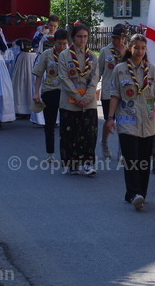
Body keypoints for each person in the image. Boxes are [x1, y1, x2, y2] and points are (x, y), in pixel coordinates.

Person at [106, 34, 155, 210]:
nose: (140, 51)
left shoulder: (152, 70)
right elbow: (115, 95)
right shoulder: (120, 69)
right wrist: (110, 118)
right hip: (127, 120)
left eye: (143, 48)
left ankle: (139, 194)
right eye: (136, 47)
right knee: (131, 159)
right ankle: (135, 193)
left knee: (144, 161)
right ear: (130, 48)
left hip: (148, 122)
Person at [57, 23, 100, 176]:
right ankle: (71, 163)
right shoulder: (64, 55)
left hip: (88, 101)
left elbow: (95, 78)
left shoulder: (93, 56)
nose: (82, 40)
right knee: (70, 133)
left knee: (89, 133)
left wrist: (87, 97)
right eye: (79, 36)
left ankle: (88, 163)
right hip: (69, 101)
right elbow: (64, 78)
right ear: (73, 37)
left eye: (85, 36)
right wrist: (77, 96)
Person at [32, 28, 68, 162]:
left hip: (66, 92)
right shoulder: (47, 54)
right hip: (50, 92)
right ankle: (50, 153)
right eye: (59, 43)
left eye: (64, 43)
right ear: (54, 42)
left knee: (66, 125)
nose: (61, 46)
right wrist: (36, 93)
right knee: (50, 124)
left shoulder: (70, 54)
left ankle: (66, 153)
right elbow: (38, 74)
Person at [98, 23, 127, 161]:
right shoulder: (105, 51)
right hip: (108, 92)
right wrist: (92, 89)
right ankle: (104, 142)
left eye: (122, 38)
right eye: (117, 38)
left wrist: (123, 54)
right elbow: (98, 71)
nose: (120, 41)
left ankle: (122, 150)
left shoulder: (128, 51)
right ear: (112, 38)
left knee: (123, 121)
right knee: (109, 119)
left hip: (124, 92)